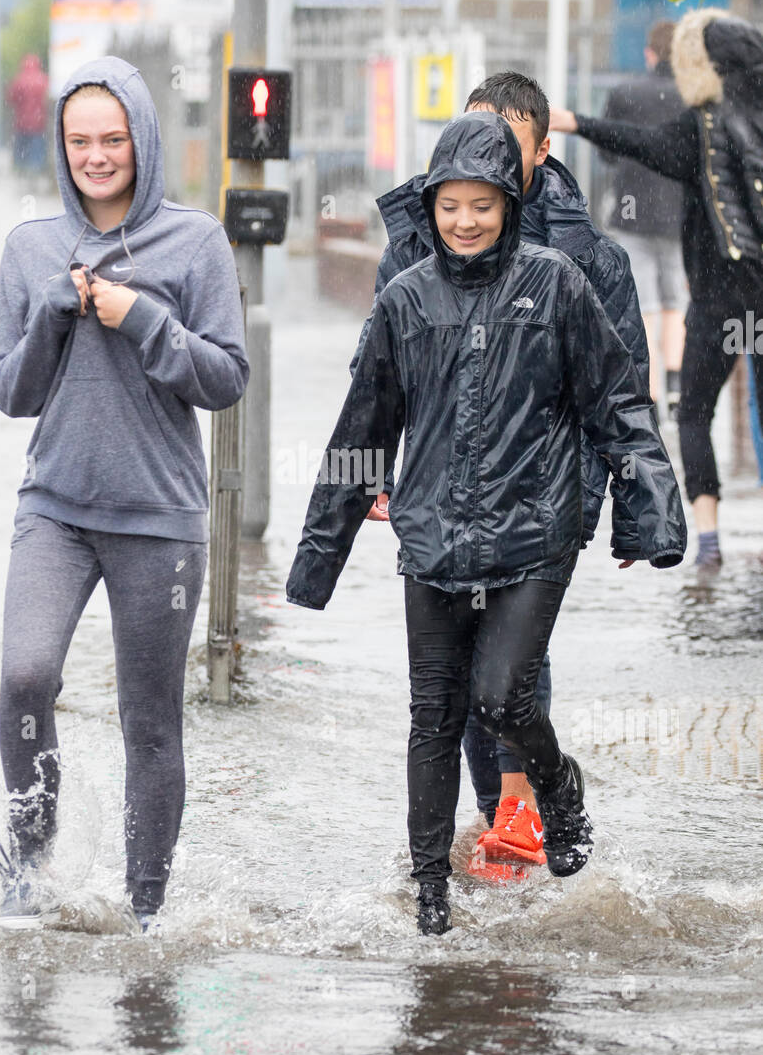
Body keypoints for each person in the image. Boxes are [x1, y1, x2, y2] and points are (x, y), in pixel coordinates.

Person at [286, 112, 686, 936]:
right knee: (432, 715)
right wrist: (317, 558)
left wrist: (649, 507)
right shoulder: (405, 299)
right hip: (431, 537)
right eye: (449, 206)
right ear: (431, 206)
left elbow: (615, 401)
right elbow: (361, 432)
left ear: (509, 201)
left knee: (503, 696)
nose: (465, 221)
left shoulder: (557, 284)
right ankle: (431, 903)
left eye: (482, 204)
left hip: (534, 532)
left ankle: (558, 786)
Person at [351, 72, 652, 866]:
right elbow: (376, 377)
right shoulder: (420, 240)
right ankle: (498, 816)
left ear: (541, 151)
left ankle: (519, 804)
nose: (479, 169)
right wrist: (374, 475)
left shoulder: (586, 259)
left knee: (511, 667)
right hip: (447, 498)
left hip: (549, 498)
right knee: (452, 680)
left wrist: (623, 502)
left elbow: (620, 393)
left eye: (504, 148)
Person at [0, 56, 249, 930]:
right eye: (80, 142)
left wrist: (143, 319)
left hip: (160, 520)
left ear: (141, 138)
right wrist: (50, 322)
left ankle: (146, 914)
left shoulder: (197, 241)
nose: (97, 156)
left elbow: (225, 379)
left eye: (114, 139)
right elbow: (10, 394)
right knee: (26, 677)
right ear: (59, 147)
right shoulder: (29, 247)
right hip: (54, 508)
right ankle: (28, 871)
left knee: (151, 722)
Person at [551, 8, 763, 568]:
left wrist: (574, 121)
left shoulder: (703, 126)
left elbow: (639, 143)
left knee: (693, 411)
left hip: (720, 294)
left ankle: (710, 538)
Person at [599, 20, 687, 417]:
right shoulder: (693, 98)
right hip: (680, 219)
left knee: (646, 305)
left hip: (633, 215)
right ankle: (675, 383)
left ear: (650, 54)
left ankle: (648, 392)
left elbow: (607, 153)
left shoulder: (624, 93)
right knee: (676, 301)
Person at [6, 53, 49, 186]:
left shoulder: (19, 80)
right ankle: (34, 172)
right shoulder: (44, 80)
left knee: (22, 148)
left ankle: (21, 172)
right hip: (39, 123)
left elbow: (10, 98)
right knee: (37, 148)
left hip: (21, 123)